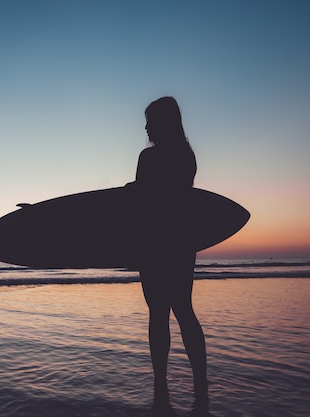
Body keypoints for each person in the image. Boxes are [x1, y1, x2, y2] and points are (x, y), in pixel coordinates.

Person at [126, 97, 208, 408]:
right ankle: (200, 384)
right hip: (182, 244)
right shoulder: (188, 157)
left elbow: (142, 204)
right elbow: (174, 199)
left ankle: (161, 386)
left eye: (149, 120)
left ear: (163, 121)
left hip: (155, 245)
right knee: (183, 310)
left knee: (159, 315)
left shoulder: (148, 158)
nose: (145, 126)